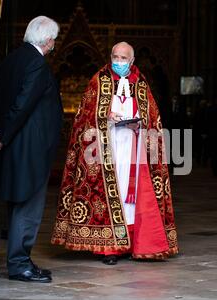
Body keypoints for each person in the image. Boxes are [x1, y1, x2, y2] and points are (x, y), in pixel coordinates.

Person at [51, 42, 178, 265]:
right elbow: (84, 115)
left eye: (123, 58)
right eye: (115, 57)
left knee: (132, 199)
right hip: (104, 150)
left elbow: (153, 116)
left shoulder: (140, 84)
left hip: (133, 148)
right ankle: (109, 247)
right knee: (111, 194)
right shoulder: (98, 80)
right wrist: (106, 117)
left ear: (132, 61)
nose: (118, 61)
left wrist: (140, 124)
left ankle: (132, 243)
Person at [0, 16, 62, 283]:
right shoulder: (37, 64)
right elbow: (23, 105)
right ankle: (19, 265)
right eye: (54, 39)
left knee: (19, 203)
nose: (54, 44)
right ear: (48, 39)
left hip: (16, 145)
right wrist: (3, 136)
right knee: (28, 205)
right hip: (29, 149)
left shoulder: (12, 59)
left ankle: (22, 260)